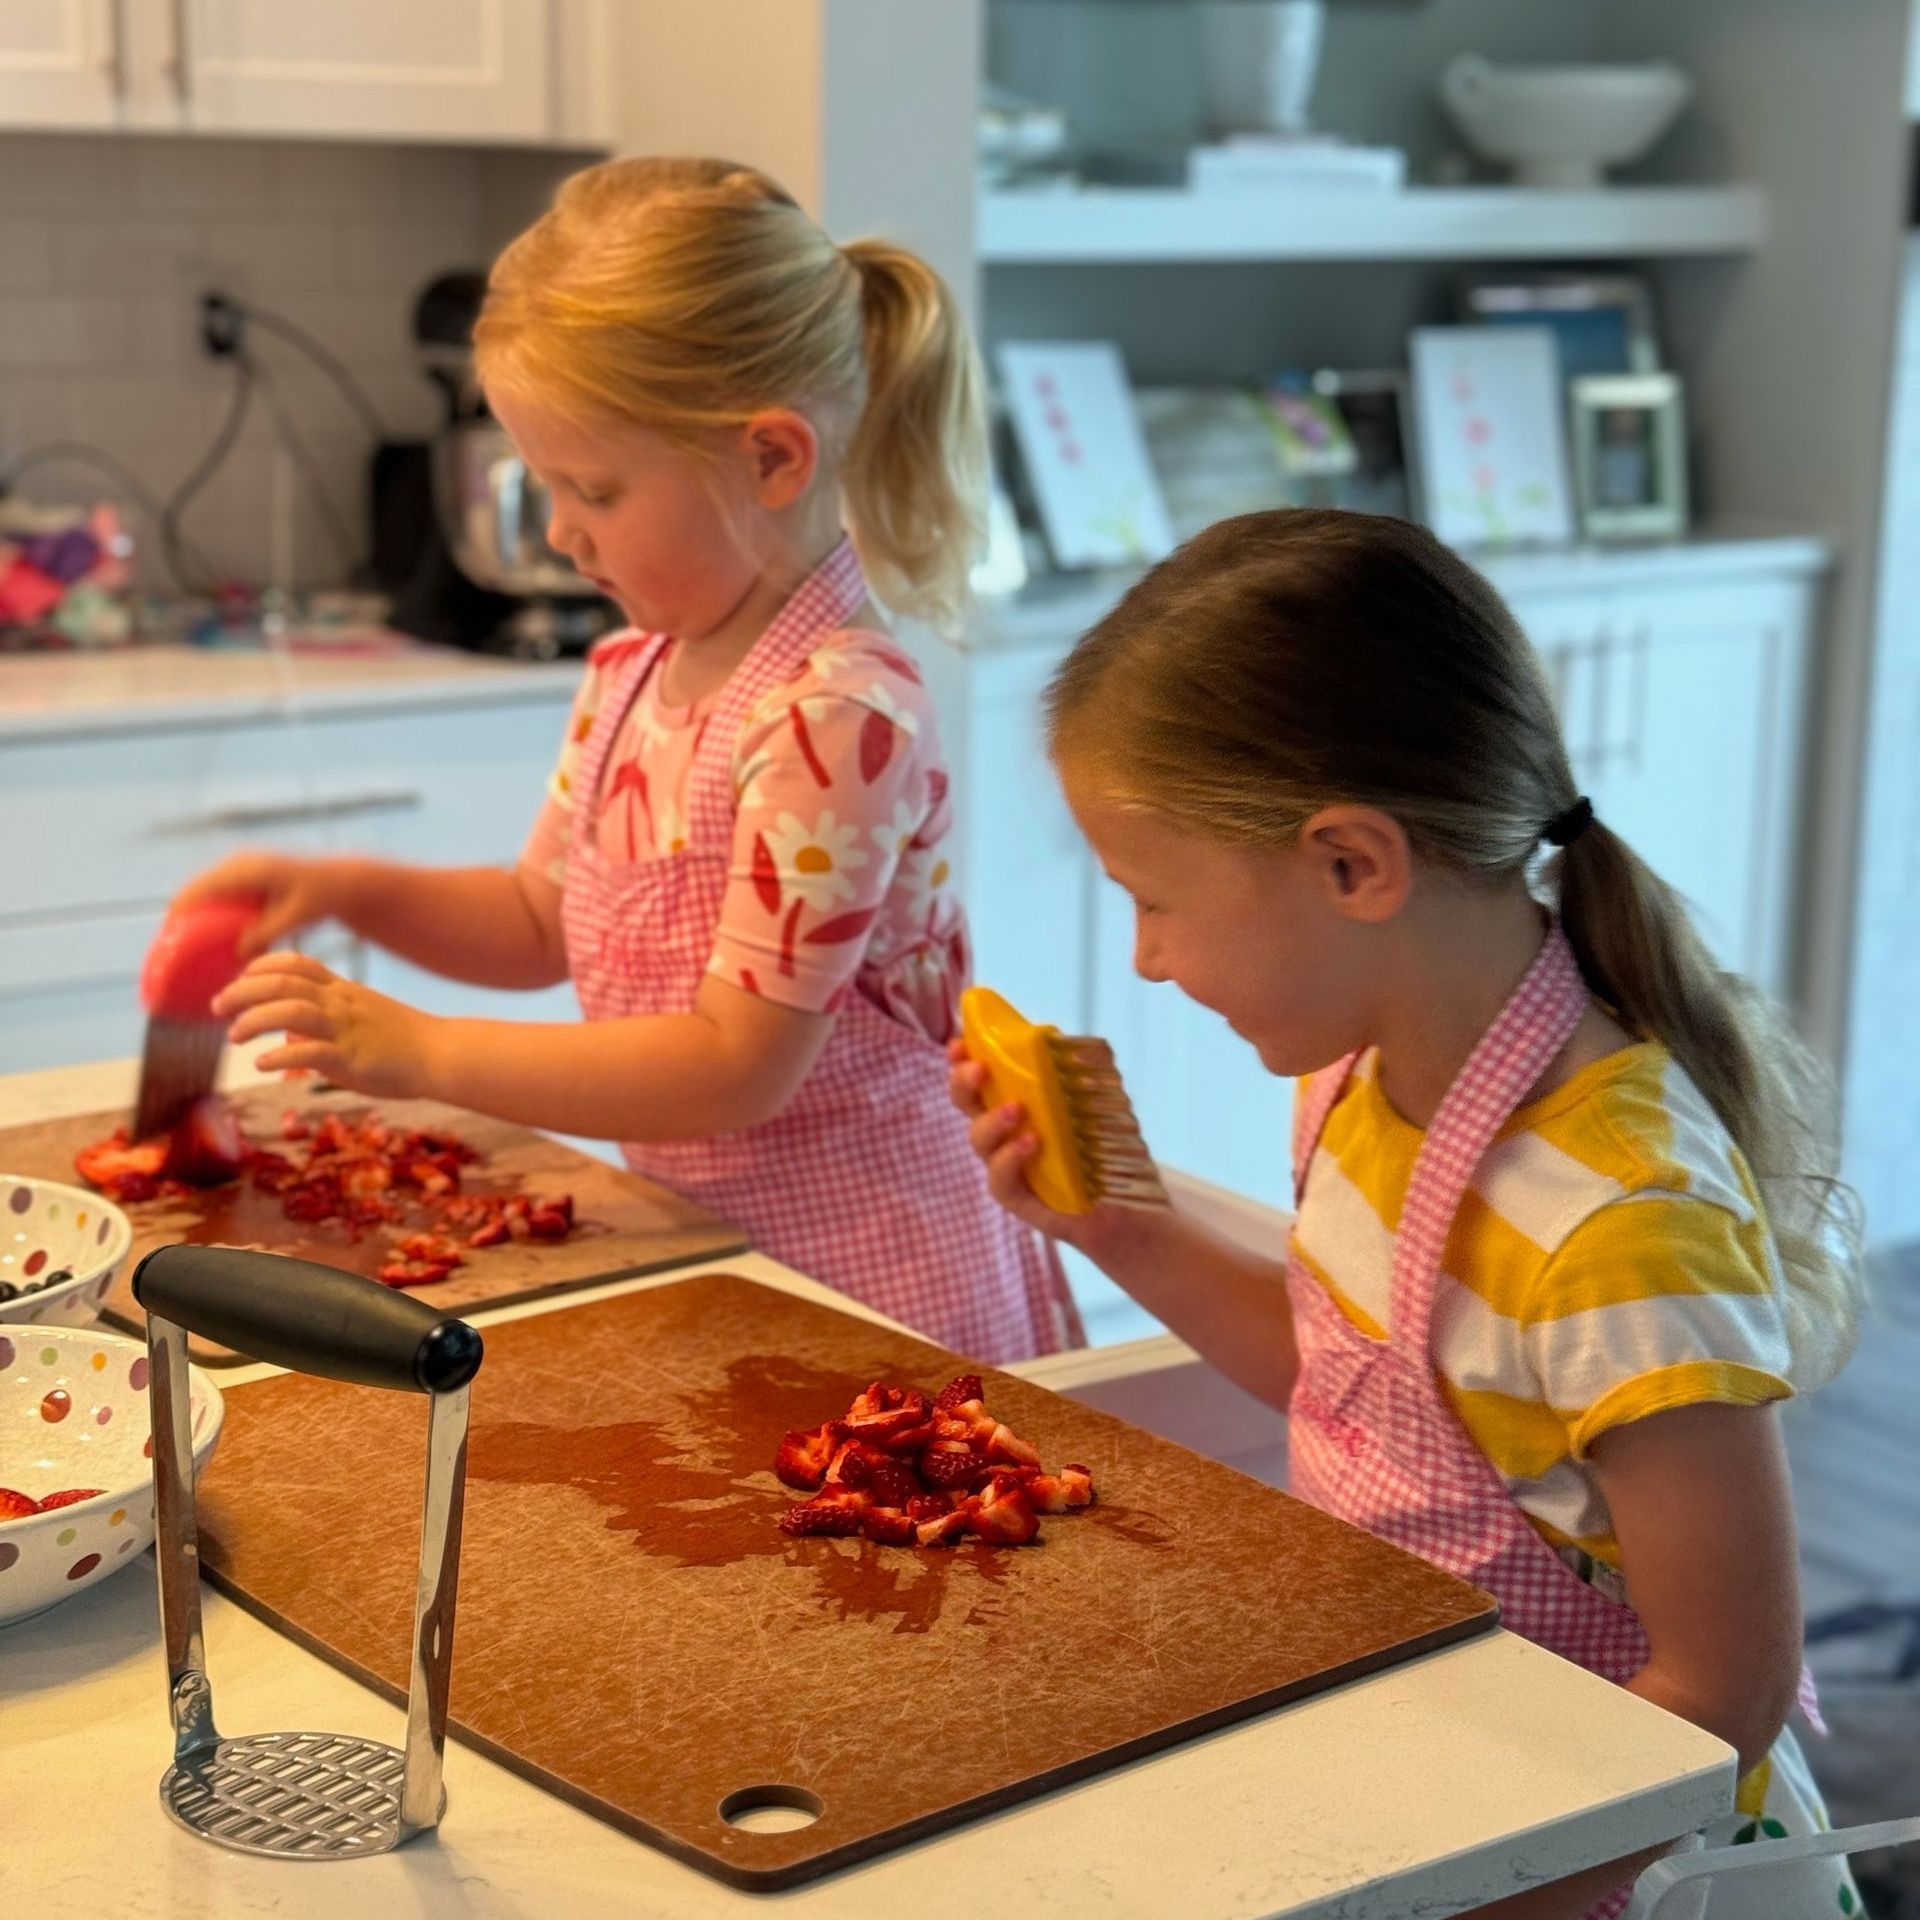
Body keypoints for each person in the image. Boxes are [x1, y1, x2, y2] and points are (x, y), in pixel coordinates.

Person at [952, 509, 1866, 1914]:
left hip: (1620, 1869)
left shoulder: (1622, 1229)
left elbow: (1722, 1686)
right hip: (1452, 1769)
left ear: (1352, 865)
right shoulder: (1366, 1081)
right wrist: (1124, 1234)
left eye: (1157, 900)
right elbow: (1362, 1383)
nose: (1143, 958)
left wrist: (1501, 1893)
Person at [186, 156, 1079, 1365]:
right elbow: (535, 920)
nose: (559, 532)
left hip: (884, 1296)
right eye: (543, 483)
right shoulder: (632, 675)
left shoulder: (836, 717)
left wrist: (421, 1051)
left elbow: (732, 1065)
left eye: (592, 488)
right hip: (722, 1256)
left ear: (771, 459)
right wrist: (350, 890)